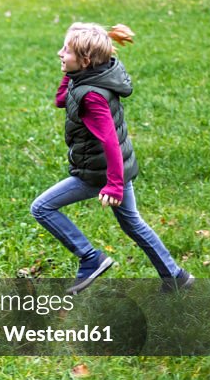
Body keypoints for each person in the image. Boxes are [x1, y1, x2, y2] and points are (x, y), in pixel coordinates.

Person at [30, 23, 194, 295]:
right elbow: (62, 99)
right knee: (132, 222)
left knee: (42, 208)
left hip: (99, 172)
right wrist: (72, 72)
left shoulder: (92, 96)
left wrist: (113, 185)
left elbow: (110, 141)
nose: (59, 53)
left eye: (66, 51)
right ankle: (175, 276)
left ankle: (90, 257)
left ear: (84, 61)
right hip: (116, 168)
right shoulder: (94, 75)